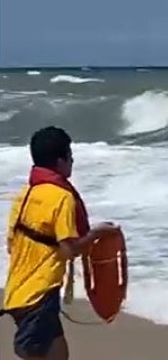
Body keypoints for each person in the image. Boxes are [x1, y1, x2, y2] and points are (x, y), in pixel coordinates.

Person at [1, 126, 119, 360]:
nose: (72, 161)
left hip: (17, 292)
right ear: (60, 160)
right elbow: (69, 250)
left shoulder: (25, 195)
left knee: (59, 355)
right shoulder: (62, 198)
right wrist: (96, 233)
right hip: (39, 295)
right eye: (70, 156)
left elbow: (12, 245)